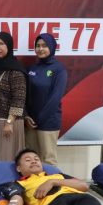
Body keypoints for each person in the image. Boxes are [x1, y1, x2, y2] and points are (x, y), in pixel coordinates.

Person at [0, 32, 27, 161]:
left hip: (6, 124)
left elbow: (19, 99)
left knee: (4, 159)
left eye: (2, 44)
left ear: (9, 46)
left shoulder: (15, 71)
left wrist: (9, 122)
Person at [25, 33, 67, 166]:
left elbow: (55, 98)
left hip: (48, 122)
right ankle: (34, 181)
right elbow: (25, 94)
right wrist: (26, 116)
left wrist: (40, 119)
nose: (40, 49)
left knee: (48, 160)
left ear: (52, 47)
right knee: (31, 159)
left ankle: (51, 181)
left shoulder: (59, 70)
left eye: (44, 46)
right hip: (30, 123)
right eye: (38, 46)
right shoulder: (32, 68)